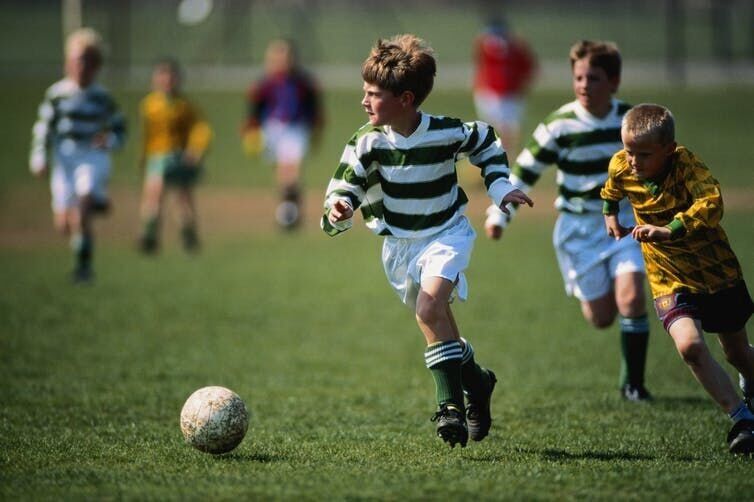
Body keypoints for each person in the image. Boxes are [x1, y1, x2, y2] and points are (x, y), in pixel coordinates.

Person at [322, 34, 533, 448]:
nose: (364, 101)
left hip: (446, 234)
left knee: (429, 307)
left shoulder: (445, 133)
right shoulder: (366, 141)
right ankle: (478, 381)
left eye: (373, 94)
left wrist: (500, 188)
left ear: (405, 98)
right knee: (438, 325)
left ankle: (449, 407)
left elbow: (486, 142)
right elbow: (344, 184)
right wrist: (340, 206)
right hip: (400, 247)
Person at [484, 40, 652, 401]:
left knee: (633, 296)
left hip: (623, 223)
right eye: (578, 77)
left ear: (614, 81)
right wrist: (499, 214)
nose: (583, 85)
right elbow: (524, 172)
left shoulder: (630, 124)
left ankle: (633, 384)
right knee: (601, 316)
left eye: (593, 78)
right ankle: (628, 371)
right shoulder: (559, 125)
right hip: (578, 231)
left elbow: (659, 167)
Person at [601, 103, 754, 454]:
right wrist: (610, 216)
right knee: (690, 346)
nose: (633, 162)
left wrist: (669, 230)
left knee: (737, 353)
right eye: (628, 151)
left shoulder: (687, 165)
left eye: (644, 154)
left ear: (669, 150)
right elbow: (611, 190)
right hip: (667, 275)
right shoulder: (622, 165)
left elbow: (711, 203)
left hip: (716, 271)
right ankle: (742, 418)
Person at [29, 27, 126, 283]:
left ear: (96, 65)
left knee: (81, 211)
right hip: (64, 158)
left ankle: (83, 269)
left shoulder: (101, 97)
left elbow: (119, 128)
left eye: (86, 61)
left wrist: (111, 141)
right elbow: (44, 128)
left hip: (92, 157)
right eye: (76, 60)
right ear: (67, 63)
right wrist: (39, 157)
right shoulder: (57, 94)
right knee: (65, 224)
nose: (80, 66)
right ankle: (97, 203)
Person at [243, 38, 323, 230]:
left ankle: (289, 212)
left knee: (291, 171)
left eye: (285, 56)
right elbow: (255, 109)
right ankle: (289, 210)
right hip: (272, 129)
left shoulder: (303, 83)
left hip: (296, 129)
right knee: (282, 174)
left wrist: (316, 128)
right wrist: (251, 131)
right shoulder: (265, 84)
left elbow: (314, 109)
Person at [137, 58, 212, 254]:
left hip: (179, 157)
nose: (167, 81)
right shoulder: (149, 105)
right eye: (162, 76)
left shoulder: (184, 106)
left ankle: (188, 237)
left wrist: (195, 150)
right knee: (154, 194)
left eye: (171, 77)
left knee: (183, 198)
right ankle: (150, 236)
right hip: (158, 157)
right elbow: (146, 135)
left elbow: (200, 129)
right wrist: (143, 156)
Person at [472, 17, 537, 160]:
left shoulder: (516, 48)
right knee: (496, 129)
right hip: (491, 93)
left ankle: (504, 158)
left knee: (509, 130)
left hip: (510, 95)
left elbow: (529, 68)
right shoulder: (486, 46)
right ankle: (495, 157)